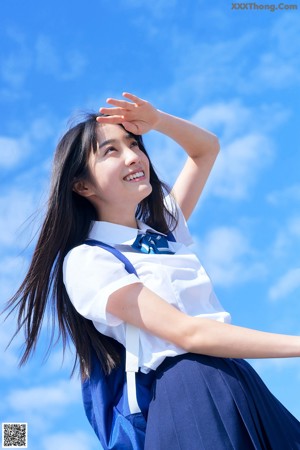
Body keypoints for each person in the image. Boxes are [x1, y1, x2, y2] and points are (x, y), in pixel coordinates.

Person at [6, 92, 300, 449]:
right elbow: (187, 333)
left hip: (239, 380)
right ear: (81, 186)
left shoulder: (164, 231)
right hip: (190, 395)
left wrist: (157, 120)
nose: (134, 157)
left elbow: (206, 149)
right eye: (110, 151)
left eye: (134, 144)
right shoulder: (88, 260)